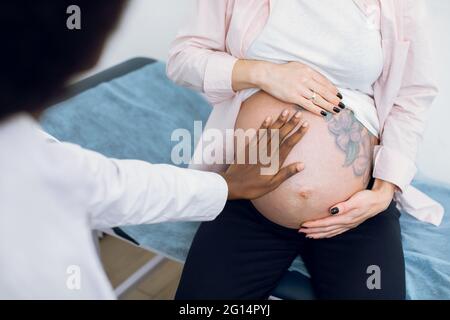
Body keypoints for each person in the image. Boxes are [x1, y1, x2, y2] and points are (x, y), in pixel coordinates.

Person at [0, 0, 308, 299]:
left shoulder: (37, 159)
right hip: (247, 208)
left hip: (347, 213)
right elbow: (184, 60)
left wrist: (224, 185)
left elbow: (101, 183)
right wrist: (261, 72)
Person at [167, 0, 440, 299]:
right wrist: (265, 73)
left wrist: (384, 192)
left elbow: (411, 98)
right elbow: (182, 60)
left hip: (355, 211)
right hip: (247, 197)